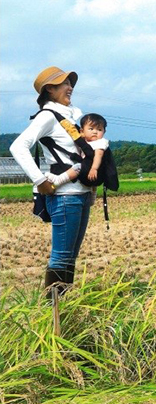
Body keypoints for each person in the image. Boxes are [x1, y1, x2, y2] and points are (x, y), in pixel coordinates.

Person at [10, 66, 93, 297]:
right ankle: (52, 313)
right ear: (50, 89)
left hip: (81, 194)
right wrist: (39, 180)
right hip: (65, 197)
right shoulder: (48, 116)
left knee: (70, 258)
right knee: (61, 257)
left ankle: (62, 310)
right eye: (64, 84)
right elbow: (18, 146)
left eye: (70, 83)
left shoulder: (71, 115)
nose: (70, 88)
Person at [44, 113, 110, 188]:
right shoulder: (86, 141)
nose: (95, 132)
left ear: (104, 132)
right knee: (91, 188)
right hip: (88, 170)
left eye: (99, 129)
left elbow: (98, 155)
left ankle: (59, 179)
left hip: (93, 168)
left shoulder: (100, 142)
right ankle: (92, 198)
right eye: (91, 129)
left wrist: (94, 168)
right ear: (82, 131)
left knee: (78, 167)